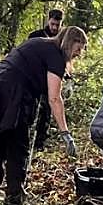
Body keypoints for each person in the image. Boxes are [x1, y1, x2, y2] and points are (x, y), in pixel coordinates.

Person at [0, 27, 87, 205]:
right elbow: (54, 98)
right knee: (17, 148)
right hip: (12, 95)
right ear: (69, 42)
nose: (79, 53)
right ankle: (14, 203)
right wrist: (66, 133)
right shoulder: (56, 55)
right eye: (78, 48)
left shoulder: (39, 43)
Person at [27, 9, 65, 150]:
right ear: (48, 20)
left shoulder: (62, 39)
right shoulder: (35, 36)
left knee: (46, 111)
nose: (54, 27)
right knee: (31, 109)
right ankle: (28, 137)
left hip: (51, 81)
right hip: (35, 79)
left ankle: (40, 142)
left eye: (57, 24)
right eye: (53, 24)